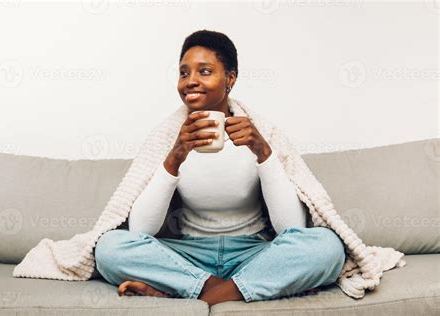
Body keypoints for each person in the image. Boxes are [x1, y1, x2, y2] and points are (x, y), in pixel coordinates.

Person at [94, 30, 346, 307]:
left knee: (327, 247)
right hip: (187, 254)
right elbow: (140, 230)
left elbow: (291, 228)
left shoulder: (262, 132)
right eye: (183, 73)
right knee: (110, 249)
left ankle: (195, 293)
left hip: (254, 251)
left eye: (204, 71)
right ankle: (245, 288)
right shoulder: (166, 137)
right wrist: (176, 156)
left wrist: (262, 152)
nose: (191, 82)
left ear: (230, 79)